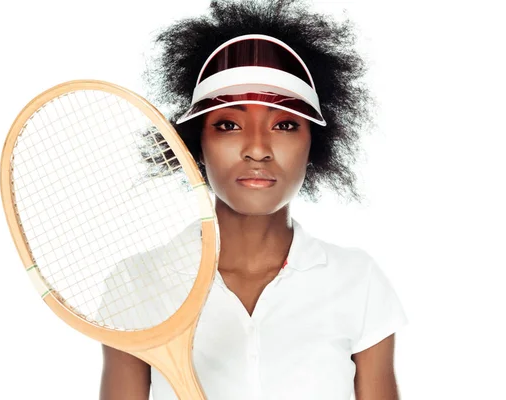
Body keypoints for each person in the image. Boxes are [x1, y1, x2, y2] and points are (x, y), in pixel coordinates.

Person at [100, 1, 408, 399]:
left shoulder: (357, 280)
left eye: (285, 124)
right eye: (228, 124)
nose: (258, 149)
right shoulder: (138, 283)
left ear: (314, 144)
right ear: (197, 142)